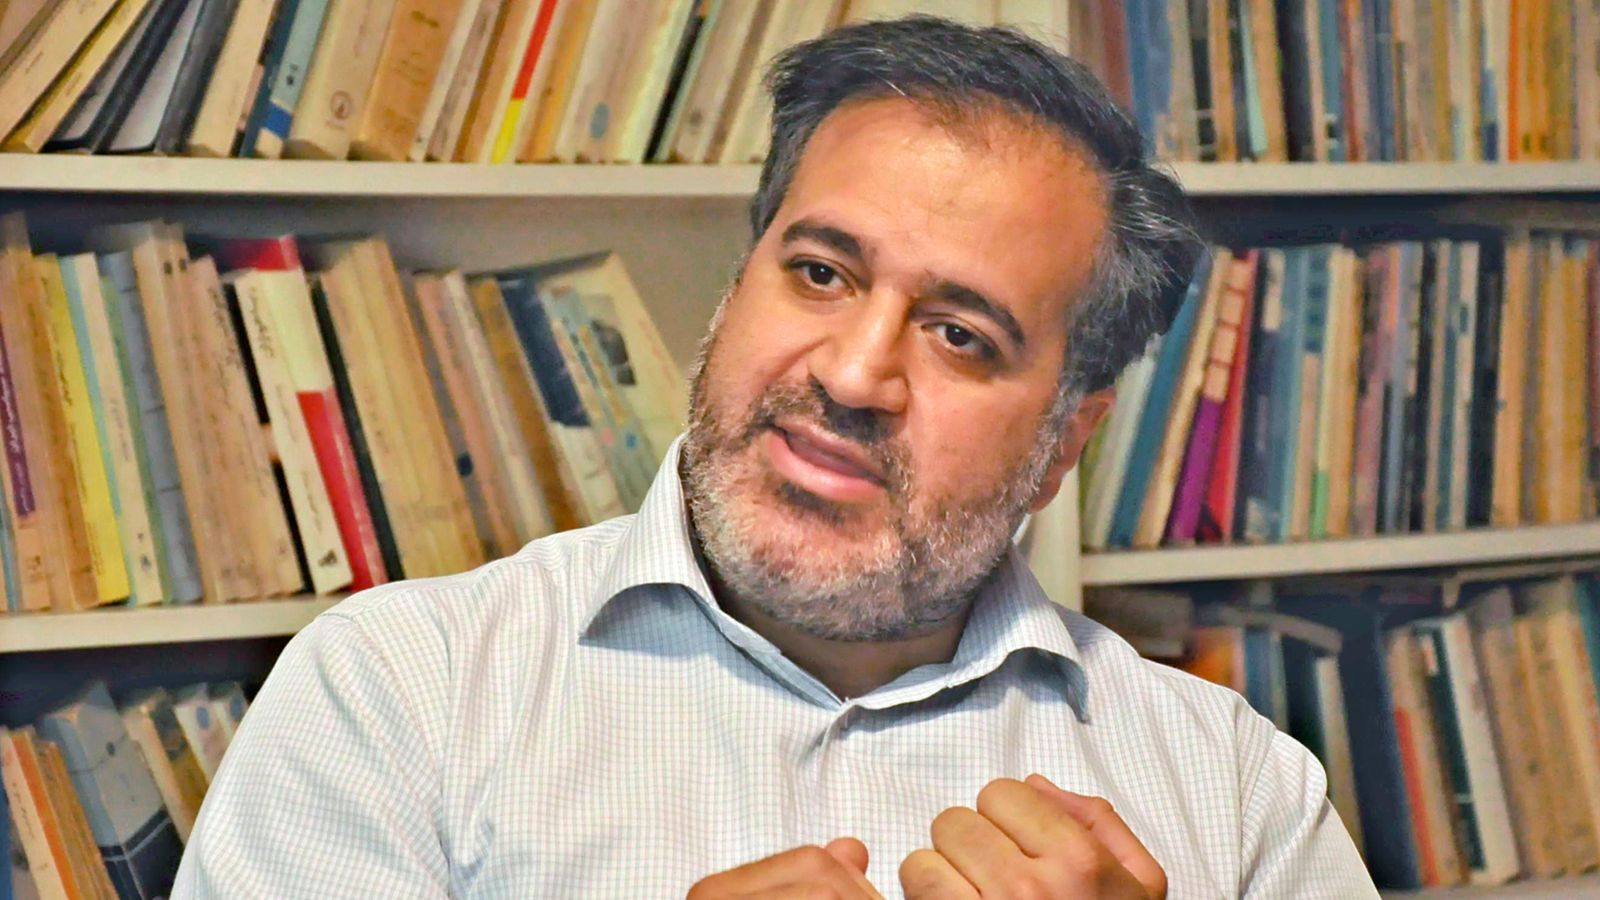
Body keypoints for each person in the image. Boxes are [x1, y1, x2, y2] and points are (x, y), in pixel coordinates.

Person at [173, 15, 1376, 899]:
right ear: (737, 281)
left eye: (960, 334)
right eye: (819, 272)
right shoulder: (398, 696)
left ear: (1067, 438)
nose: (851, 376)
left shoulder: (1236, 793)